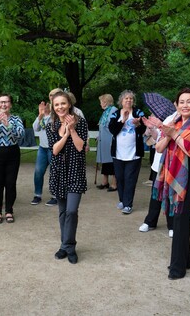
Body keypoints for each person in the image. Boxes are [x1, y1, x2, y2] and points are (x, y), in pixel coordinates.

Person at [146, 88, 190, 280]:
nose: (185, 105)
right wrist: (167, 132)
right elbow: (158, 148)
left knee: (180, 216)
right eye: (181, 102)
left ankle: (177, 268)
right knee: (179, 216)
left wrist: (175, 134)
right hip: (174, 173)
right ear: (177, 105)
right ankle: (186, 260)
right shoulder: (175, 122)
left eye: (189, 101)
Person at [46, 91, 88, 264]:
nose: (60, 107)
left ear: (69, 104)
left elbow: (80, 147)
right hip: (58, 172)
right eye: (57, 105)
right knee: (62, 212)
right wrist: (65, 134)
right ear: (53, 108)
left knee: (71, 210)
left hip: (75, 171)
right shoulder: (51, 125)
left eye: (63, 103)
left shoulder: (81, 123)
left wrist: (72, 130)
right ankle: (66, 246)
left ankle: (68, 246)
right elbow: (55, 150)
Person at [0, 93, 24, 224]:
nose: (3, 104)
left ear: (10, 104)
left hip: (12, 153)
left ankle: (9, 210)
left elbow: (21, 135)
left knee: (10, 183)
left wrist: (8, 125)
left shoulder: (16, 119)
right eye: (1, 102)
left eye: (6, 102)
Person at [138, 112, 176, 237]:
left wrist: (160, 125)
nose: (182, 105)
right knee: (155, 195)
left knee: (170, 195)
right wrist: (151, 128)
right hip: (158, 164)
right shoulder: (168, 117)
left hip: (172, 164)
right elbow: (157, 138)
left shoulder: (182, 120)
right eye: (180, 102)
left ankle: (172, 225)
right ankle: (150, 221)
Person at [108, 90, 145, 214]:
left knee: (130, 178)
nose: (129, 100)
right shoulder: (115, 114)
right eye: (126, 99)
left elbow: (144, 129)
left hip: (134, 153)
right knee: (120, 178)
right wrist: (122, 120)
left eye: (131, 99)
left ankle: (128, 204)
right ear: (121, 101)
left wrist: (139, 124)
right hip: (118, 153)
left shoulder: (138, 112)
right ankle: (123, 200)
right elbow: (113, 130)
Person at [96, 94, 118, 192]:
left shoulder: (114, 110)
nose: (100, 104)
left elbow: (113, 126)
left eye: (101, 101)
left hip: (110, 140)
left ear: (105, 102)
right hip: (103, 140)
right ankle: (105, 181)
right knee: (105, 162)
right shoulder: (105, 112)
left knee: (112, 161)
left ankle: (115, 183)